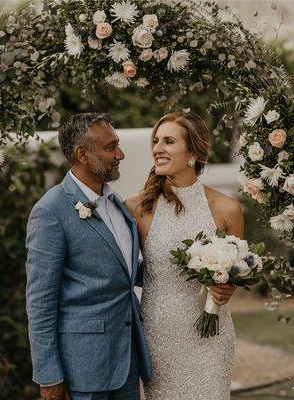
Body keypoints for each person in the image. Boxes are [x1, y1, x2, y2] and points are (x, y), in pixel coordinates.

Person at [25, 112, 152, 400]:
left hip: (127, 361)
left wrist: (193, 265)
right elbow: (40, 303)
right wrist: (49, 376)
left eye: (117, 144)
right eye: (110, 147)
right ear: (82, 154)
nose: (120, 154)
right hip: (82, 369)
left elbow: (125, 271)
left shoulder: (115, 202)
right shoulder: (51, 211)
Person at [125, 111, 243, 400]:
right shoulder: (136, 208)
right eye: (156, 141)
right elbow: (127, 270)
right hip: (159, 332)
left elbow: (234, 273)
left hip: (211, 336)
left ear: (192, 152)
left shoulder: (227, 209)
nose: (157, 149)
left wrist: (226, 287)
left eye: (168, 141)